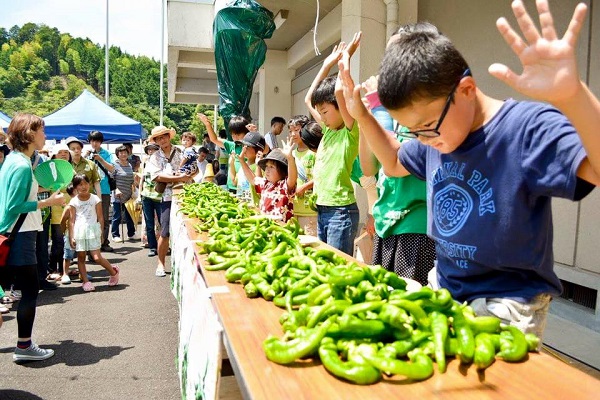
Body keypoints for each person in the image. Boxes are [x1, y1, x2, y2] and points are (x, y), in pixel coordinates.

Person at [337, 0, 600, 338]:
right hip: (443, 286)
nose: (423, 140)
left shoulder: (524, 128)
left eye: (428, 126)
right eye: (414, 131)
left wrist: (573, 96)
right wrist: (362, 115)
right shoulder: (435, 139)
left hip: (507, 303)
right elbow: (393, 160)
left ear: (466, 90)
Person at [0, 113, 65, 362]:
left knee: (25, 290)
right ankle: (24, 347)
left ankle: (24, 345)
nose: (44, 136)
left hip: (15, 234)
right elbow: (14, 205)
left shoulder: (14, 160)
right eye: (42, 131)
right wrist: (49, 201)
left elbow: (18, 195)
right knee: (29, 292)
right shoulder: (21, 164)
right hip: (20, 236)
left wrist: (43, 191)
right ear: (29, 134)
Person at [360, 76, 435, 286]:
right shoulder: (389, 115)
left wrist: (377, 108)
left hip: (415, 227)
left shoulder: (427, 117)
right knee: (385, 302)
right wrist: (364, 118)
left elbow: (393, 164)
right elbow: (369, 168)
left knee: (408, 306)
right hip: (387, 224)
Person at [304, 33, 362, 256]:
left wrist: (346, 60)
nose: (322, 118)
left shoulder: (350, 131)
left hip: (341, 212)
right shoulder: (328, 131)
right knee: (325, 263)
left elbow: (340, 92)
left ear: (341, 107)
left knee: (337, 265)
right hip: (323, 209)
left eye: (326, 112)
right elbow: (309, 98)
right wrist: (327, 64)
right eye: (320, 113)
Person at [144, 126, 190, 277]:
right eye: (158, 138)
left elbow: (193, 170)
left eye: (164, 136)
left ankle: (185, 265)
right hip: (167, 197)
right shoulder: (154, 157)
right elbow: (157, 177)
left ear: (169, 137)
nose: (162, 140)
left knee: (187, 230)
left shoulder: (182, 152)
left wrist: (185, 174)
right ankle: (161, 263)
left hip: (185, 195)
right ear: (156, 141)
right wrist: (179, 177)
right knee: (164, 232)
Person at [68, 174, 120, 292]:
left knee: (97, 257)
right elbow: (71, 221)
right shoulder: (73, 201)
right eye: (80, 185)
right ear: (75, 187)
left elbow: (101, 218)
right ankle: (86, 281)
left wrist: (101, 233)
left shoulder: (95, 199)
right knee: (81, 257)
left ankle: (113, 272)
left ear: (90, 184)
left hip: (93, 230)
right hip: (79, 231)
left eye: (86, 183)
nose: (84, 187)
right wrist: (71, 236)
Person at [238, 143, 297, 222]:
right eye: (266, 166)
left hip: (282, 228)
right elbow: (253, 179)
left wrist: (290, 158)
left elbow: (293, 177)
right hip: (266, 226)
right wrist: (242, 161)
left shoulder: (284, 185)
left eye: (272, 167)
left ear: (283, 171)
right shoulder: (266, 184)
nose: (267, 170)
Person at [199, 113, 250, 193]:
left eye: (238, 134)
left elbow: (266, 150)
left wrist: (254, 133)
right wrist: (208, 125)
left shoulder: (251, 148)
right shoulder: (232, 145)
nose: (235, 137)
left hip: (245, 187)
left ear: (247, 133)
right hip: (231, 186)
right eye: (233, 135)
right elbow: (214, 139)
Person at [48, 143, 76, 283]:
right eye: (60, 152)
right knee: (58, 242)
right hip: (56, 209)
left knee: (68, 241)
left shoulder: (71, 169)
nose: (64, 154)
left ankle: (65, 268)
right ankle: (53, 269)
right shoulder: (50, 170)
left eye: (66, 152)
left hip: (70, 208)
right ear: (54, 155)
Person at [86, 130, 116, 252]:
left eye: (97, 141)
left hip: (104, 190)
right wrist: (85, 156)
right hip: (89, 190)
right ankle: (91, 243)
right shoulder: (87, 154)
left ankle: (104, 242)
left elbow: (112, 168)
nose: (94, 143)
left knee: (103, 216)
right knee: (90, 217)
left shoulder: (107, 153)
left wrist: (101, 159)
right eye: (92, 141)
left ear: (101, 142)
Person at [288, 115, 317, 236]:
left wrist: (304, 187)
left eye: (297, 130)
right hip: (295, 209)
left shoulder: (314, 152)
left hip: (312, 211)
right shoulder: (291, 154)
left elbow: (321, 177)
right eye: (290, 131)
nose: (293, 134)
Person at [139, 142, 162, 257]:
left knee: (163, 223)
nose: (151, 152)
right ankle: (152, 247)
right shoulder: (145, 162)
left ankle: (163, 246)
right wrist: (139, 195)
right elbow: (142, 179)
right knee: (149, 223)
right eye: (149, 150)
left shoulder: (162, 162)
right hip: (146, 196)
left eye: (154, 149)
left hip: (159, 196)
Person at [110, 145, 137, 243]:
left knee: (129, 214)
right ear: (117, 154)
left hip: (129, 194)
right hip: (118, 194)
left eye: (125, 152)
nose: (123, 154)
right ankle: (115, 234)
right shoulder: (114, 164)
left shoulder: (129, 165)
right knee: (117, 216)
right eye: (121, 152)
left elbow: (131, 178)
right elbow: (111, 180)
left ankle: (131, 233)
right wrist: (116, 189)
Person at [232, 131, 265, 203]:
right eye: (243, 145)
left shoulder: (261, 167)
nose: (244, 149)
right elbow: (235, 182)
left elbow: (258, 186)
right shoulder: (243, 166)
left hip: (254, 207)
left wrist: (258, 165)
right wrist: (232, 162)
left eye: (247, 146)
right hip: (242, 205)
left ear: (259, 151)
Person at [59, 183, 77, 284]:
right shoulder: (69, 206)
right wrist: (63, 232)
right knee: (68, 254)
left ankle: (82, 273)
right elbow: (62, 221)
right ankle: (65, 273)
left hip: (81, 234)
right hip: (69, 234)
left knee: (81, 254)